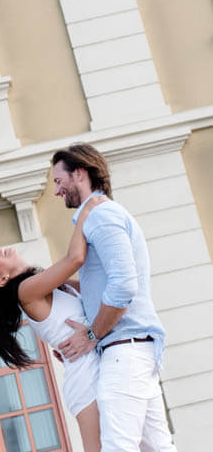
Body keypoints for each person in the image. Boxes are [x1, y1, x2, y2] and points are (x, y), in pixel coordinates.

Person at [52, 143, 177, 452]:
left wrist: (92, 335)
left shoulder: (100, 216)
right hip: (133, 350)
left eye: (58, 181)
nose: (56, 191)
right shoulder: (101, 215)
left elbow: (123, 287)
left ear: (79, 174)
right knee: (158, 448)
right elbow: (104, 283)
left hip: (125, 353)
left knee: (118, 447)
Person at [0, 195, 105, 452]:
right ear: (2, 279)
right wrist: (86, 210)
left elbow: (94, 288)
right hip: (86, 380)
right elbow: (75, 259)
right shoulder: (26, 291)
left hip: (99, 367)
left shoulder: (45, 285)